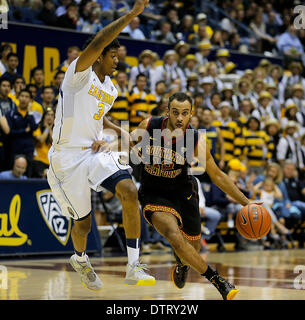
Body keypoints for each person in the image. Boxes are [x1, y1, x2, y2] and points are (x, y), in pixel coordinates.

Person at [47, 0, 155, 292]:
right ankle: (80, 258)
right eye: (112, 54)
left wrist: (114, 129)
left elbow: (97, 113)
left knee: (130, 190)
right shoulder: (77, 74)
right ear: (97, 57)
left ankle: (133, 265)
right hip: (66, 159)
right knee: (83, 225)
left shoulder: (112, 89)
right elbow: (98, 40)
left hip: (94, 153)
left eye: (118, 55)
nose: (117, 60)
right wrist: (132, 14)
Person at [132, 92, 256, 300]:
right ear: (167, 111)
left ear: (191, 114)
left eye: (184, 113)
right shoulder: (149, 125)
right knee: (174, 235)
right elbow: (128, 143)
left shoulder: (196, 139)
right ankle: (218, 281)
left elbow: (217, 175)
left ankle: (182, 263)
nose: (179, 118)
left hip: (183, 193)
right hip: (154, 193)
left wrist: (247, 202)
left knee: (192, 248)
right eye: (175, 112)